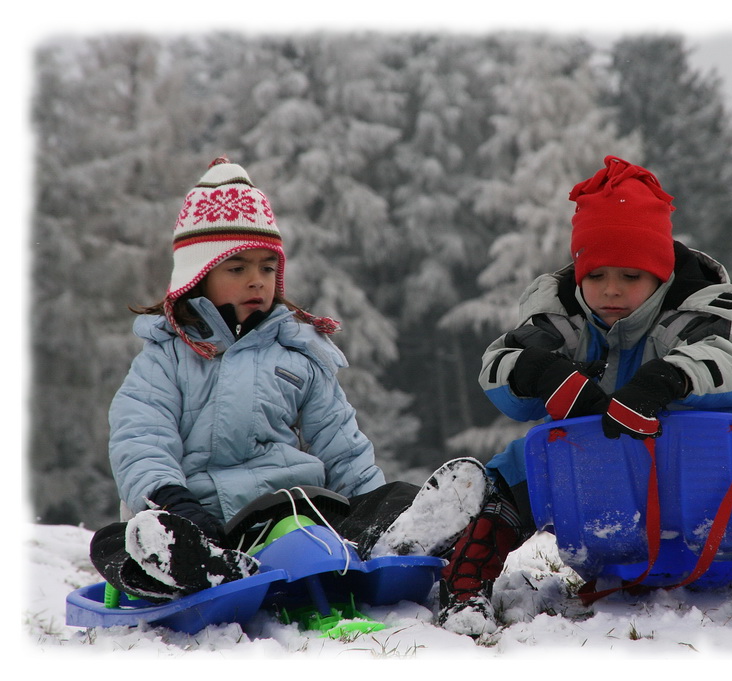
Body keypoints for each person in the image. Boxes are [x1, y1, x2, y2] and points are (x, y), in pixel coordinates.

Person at [437, 155, 732, 636]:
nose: (611, 290)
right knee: (521, 461)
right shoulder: (560, 320)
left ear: (660, 275)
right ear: (579, 275)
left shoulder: (698, 309)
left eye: (630, 277)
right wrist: (543, 372)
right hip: (613, 496)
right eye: (596, 276)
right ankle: (466, 585)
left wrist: (668, 379)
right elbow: (497, 368)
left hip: (716, 483)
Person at [90, 158, 488, 602]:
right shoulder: (166, 358)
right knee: (115, 541)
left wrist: (374, 502)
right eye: (237, 268)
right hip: (207, 522)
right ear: (197, 278)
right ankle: (201, 568)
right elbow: (141, 438)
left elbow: (341, 443)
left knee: (395, 497)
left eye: (266, 267)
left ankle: (393, 541)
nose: (256, 280)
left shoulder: (298, 352)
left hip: (298, 509)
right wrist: (174, 500)